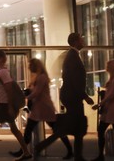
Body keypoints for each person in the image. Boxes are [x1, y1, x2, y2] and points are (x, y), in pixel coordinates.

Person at [34, 33, 95, 161]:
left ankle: (78, 156)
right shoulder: (73, 56)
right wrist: (85, 96)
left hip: (71, 95)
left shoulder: (72, 56)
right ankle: (41, 146)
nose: (83, 40)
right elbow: (75, 80)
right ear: (75, 41)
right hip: (73, 96)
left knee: (77, 127)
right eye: (81, 39)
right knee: (72, 127)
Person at [10, 58, 72, 159]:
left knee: (57, 130)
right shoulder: (38, 77)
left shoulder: (42, 77)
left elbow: (37, 92)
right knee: (31, 129)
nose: (29, 67)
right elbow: (34, 91)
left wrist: (26, 97)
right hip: (39, 108)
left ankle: (23, 152)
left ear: (35, 66)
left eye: (30, 65)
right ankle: (23, 151)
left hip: (44, 108)